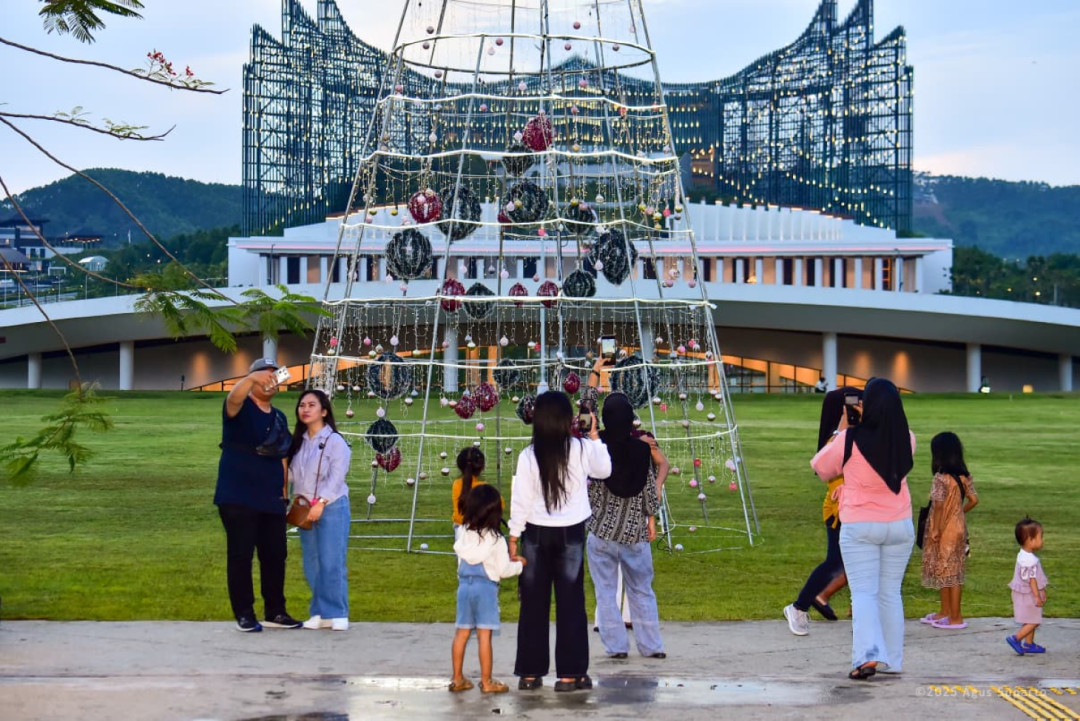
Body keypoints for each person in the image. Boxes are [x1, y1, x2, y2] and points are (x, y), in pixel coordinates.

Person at [810, 377, 915, 680]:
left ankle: (868, 656)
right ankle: (892, 659)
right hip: (899, 524)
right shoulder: (907, 438)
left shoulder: (849, 440)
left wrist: (842, 429)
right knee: (890, 593)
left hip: (860, 524)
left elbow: (820, 466)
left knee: (864, 594)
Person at [509, 391, 611, 692]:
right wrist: (594, 436)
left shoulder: (529, 455)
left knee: (532, 604)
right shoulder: (580, 449)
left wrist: (514, 535)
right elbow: (605, 469)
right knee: (570, 603)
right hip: (571, 535)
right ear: (569, 420)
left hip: (535, 535)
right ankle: (570, 674)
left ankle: (529, 673)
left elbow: (521, 499)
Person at [214, 357, 302, 632]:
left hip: (271, 496)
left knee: (275, 555)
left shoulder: (279, 417)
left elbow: (283, 454)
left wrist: (284, 491)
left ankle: (276, 611)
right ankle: (244, 613)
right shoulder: (238, 408)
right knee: (240, 555)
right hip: (238, 493)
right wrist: (253, 378)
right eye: (264, 375)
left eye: (274, 376)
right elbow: (234, 397)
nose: (269, 380)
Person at [587, 392, 666, 659]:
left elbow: (592, 493)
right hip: (635, 534)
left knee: (606, 593)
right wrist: (651, 519)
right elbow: (649, 494)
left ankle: (617, 647)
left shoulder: (597, 447)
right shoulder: (642, 450)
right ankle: (652, 647)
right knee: (642, 590)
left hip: (602, 532)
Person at [783, 387, 859, 636]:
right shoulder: (835, 440)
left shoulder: (857, 435)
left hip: (856, 509)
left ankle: (858, 610)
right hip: (840, 511)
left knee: (852, 563)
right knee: (835, 562)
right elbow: (833, 476)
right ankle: (798, 606)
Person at [286, 389, 353, 631]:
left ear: (323, 411)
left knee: (331, 561)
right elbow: (293, 475)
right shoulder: (298, 442)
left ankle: (338, 612)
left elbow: (337, 476)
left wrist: (322, 503)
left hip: (332, 507)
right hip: (305, 510)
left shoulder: (335, 441)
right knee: (312, 563)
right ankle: (320, 612)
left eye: (311, 405)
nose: (305, 409)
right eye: (302, 405)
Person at [449, 484, 525, 694]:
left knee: (461, 634)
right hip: (486, 591)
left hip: (464, 588)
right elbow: (503, 569)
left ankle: (457, 678)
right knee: (484, 636)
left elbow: (460, 563)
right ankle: (487, 681)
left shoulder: (462, 533)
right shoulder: (496, 539)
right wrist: (520, 565)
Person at [919, 432, 978, 630]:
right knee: (949, 570)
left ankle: (955, 617)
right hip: (959, 527)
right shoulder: (964, 477)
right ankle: (945, 612)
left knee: (950, 573)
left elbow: (938, 505)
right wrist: (958, 513)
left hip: (945, 529)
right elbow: (974, 500)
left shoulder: (941, 478)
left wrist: (935, 529)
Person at [1006, 518, 1048, 655]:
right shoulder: (1030, 560)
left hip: (1025, 593)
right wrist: (1037, 596)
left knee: (1031, 618)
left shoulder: (1023, 555)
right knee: (1034, 621)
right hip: (1028, 594)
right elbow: (1032, 581)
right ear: (1030, 540)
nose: (1042, 540)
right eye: (1040, 537)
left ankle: (1029, 644)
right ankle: (1016, 638)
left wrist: (1042, 591)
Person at [452, 447, 488, 537]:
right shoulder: (484, 487)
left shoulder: (456, 484)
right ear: (482, 466)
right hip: (480, 529)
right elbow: (500, 504)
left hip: (460, 529)